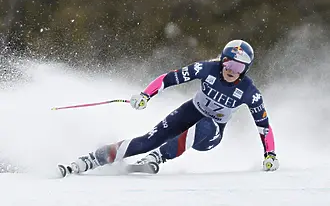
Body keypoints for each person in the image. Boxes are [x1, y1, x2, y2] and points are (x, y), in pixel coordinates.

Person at [58, 39, 279, 177]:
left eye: (238, 66)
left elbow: (264, 126)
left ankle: (158, 157)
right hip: (190, 111)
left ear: (245, 70)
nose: (231, 70)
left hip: (211, 134)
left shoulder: (250, 92)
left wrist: (270, 154)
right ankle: (93, 159)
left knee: (207, 124)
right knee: (148, 140)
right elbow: (170, 78)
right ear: (221, 61)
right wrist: (146, 95)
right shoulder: (206, 68)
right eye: (228, 63)